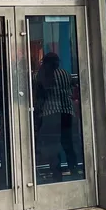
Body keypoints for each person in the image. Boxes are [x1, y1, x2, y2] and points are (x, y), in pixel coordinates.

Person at [33, 52, 79, 182]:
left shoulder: (42, 75)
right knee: (67, 142)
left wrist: (37, 113)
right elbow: (71, 88)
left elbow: (41, 97)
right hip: (67, 111)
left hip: (50, 113)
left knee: (52, 144)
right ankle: (73, 168)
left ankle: (56, 171)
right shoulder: (65, 74)